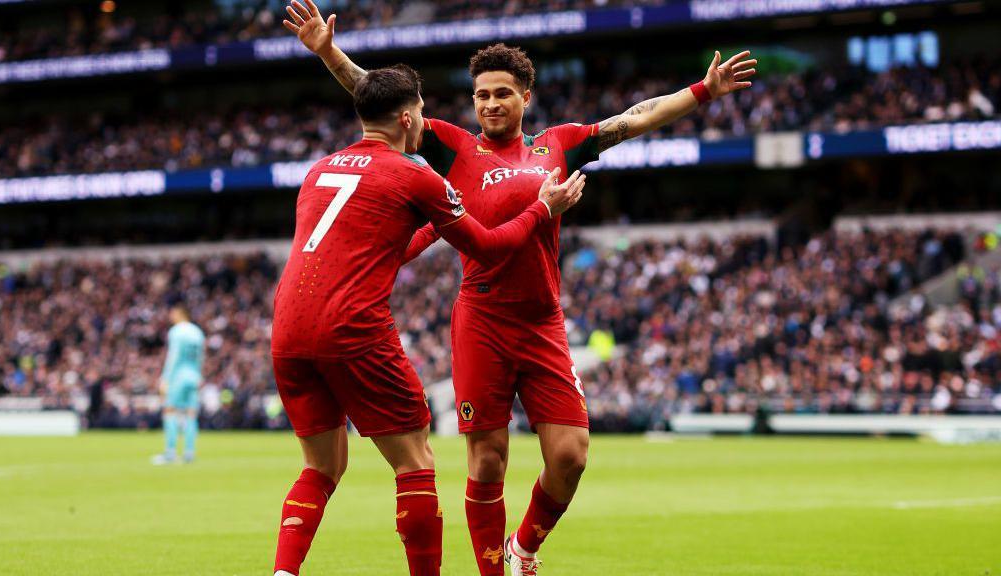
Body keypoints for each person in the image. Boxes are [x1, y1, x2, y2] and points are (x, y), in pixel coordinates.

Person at [284, 4, 756, 574]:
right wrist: (329, 53)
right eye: (481, 95)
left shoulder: (557, 145)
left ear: (525, 97)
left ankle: (524, 544)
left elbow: (632, 119)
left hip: (541, 321)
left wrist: (702, 91)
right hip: (480, 320)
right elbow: (382, 102)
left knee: (570, 456)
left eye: (502, 93)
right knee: (486, 462)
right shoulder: (453, 147)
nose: (490, 104)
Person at [268, 63, 586, 576]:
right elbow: (488, 245)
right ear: (408, 118)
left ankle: (283, 573)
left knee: (322, 466)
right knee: (414, 462)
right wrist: (542, 210)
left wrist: (444, 225)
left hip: (286, 330)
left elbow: (388, 249)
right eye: (419, 112)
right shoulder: (415, 172)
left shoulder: (319, 169)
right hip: (353, 327)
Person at [153, 304, 205, 465]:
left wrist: (165, 378)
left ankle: (170, 453)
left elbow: (173, 356)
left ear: (180, 314)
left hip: (178, 377)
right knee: (190, 414)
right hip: (194, 376)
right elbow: (200, 357)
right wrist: (199, 376)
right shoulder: (198, 332)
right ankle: (189, 453)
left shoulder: (176, 331)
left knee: (170, 411)